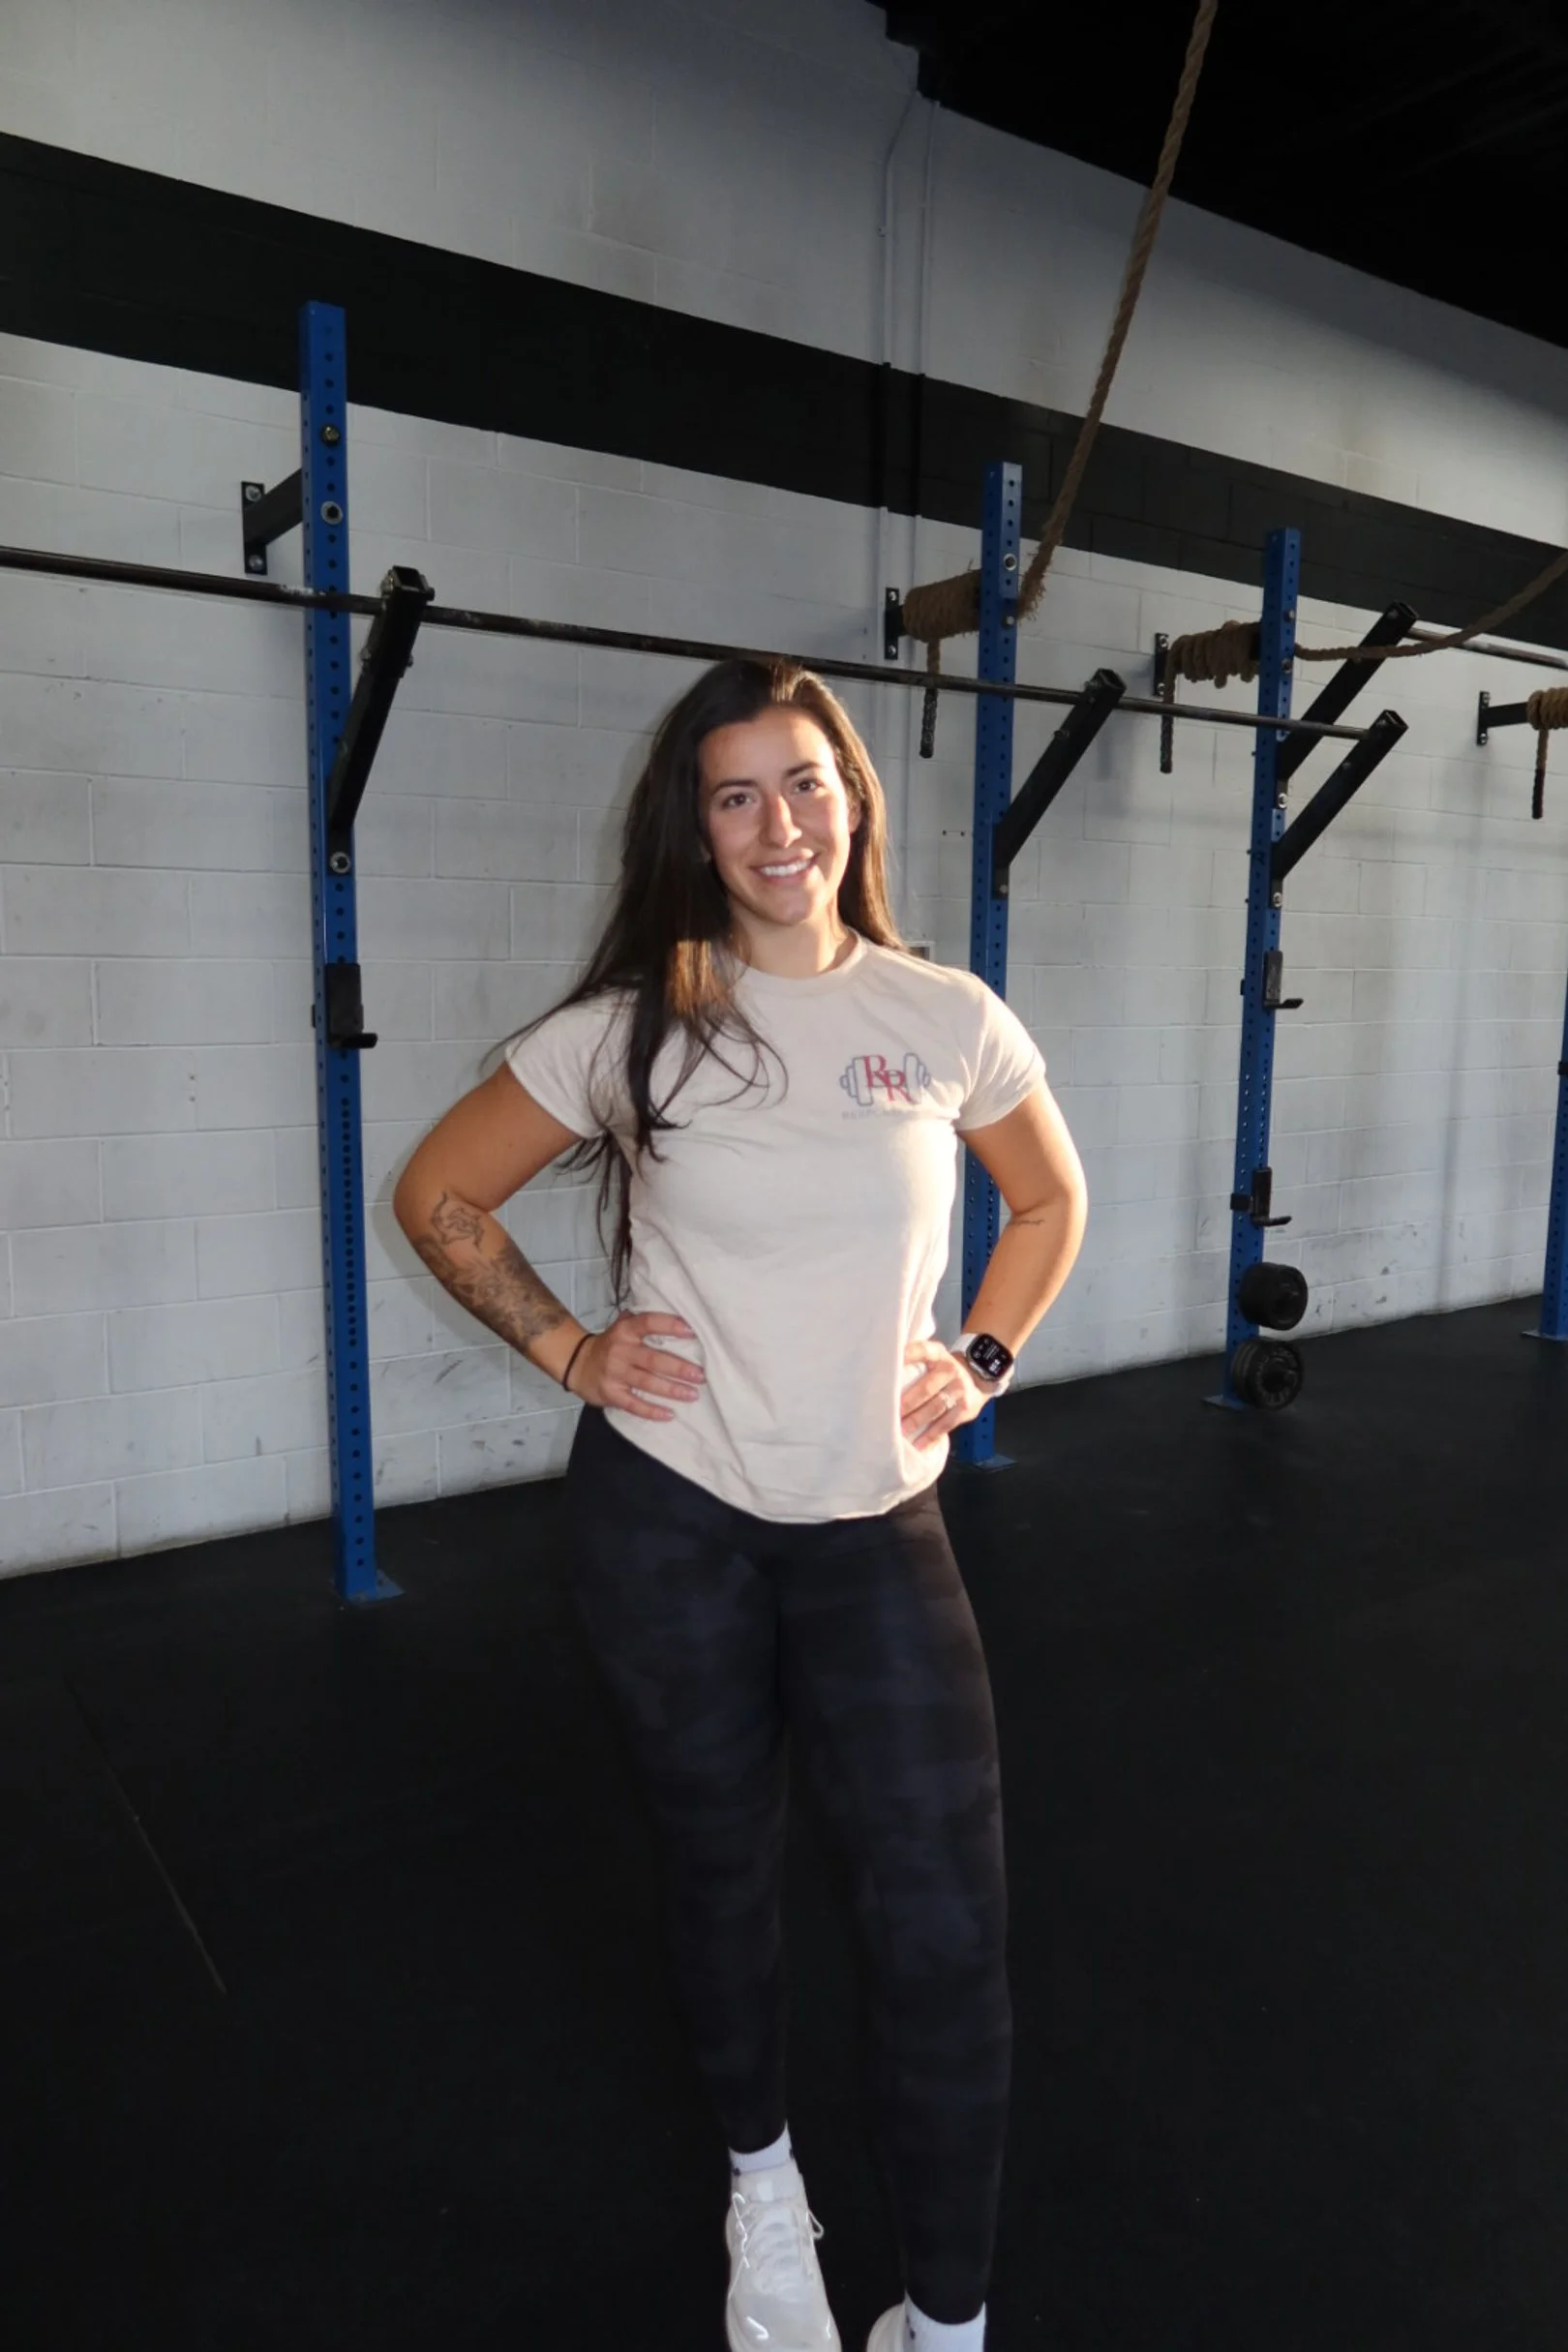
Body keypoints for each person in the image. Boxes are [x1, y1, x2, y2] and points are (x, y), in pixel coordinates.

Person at [393, 658, 1087, 2352]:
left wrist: (983, 1351)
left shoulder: (945, 1015)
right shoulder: (640, 1023)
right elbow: (436, 1191)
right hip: (671, 1520)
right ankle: (763, 2193)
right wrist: (569, 1346)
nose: (780, 822)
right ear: (694, 831)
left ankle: (947, 2321)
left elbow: (1050, 1195)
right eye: (735, 794)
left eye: (805, 782)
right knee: (720, 1873)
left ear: (851, 795)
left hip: (875, 1523)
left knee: (944, 1930)